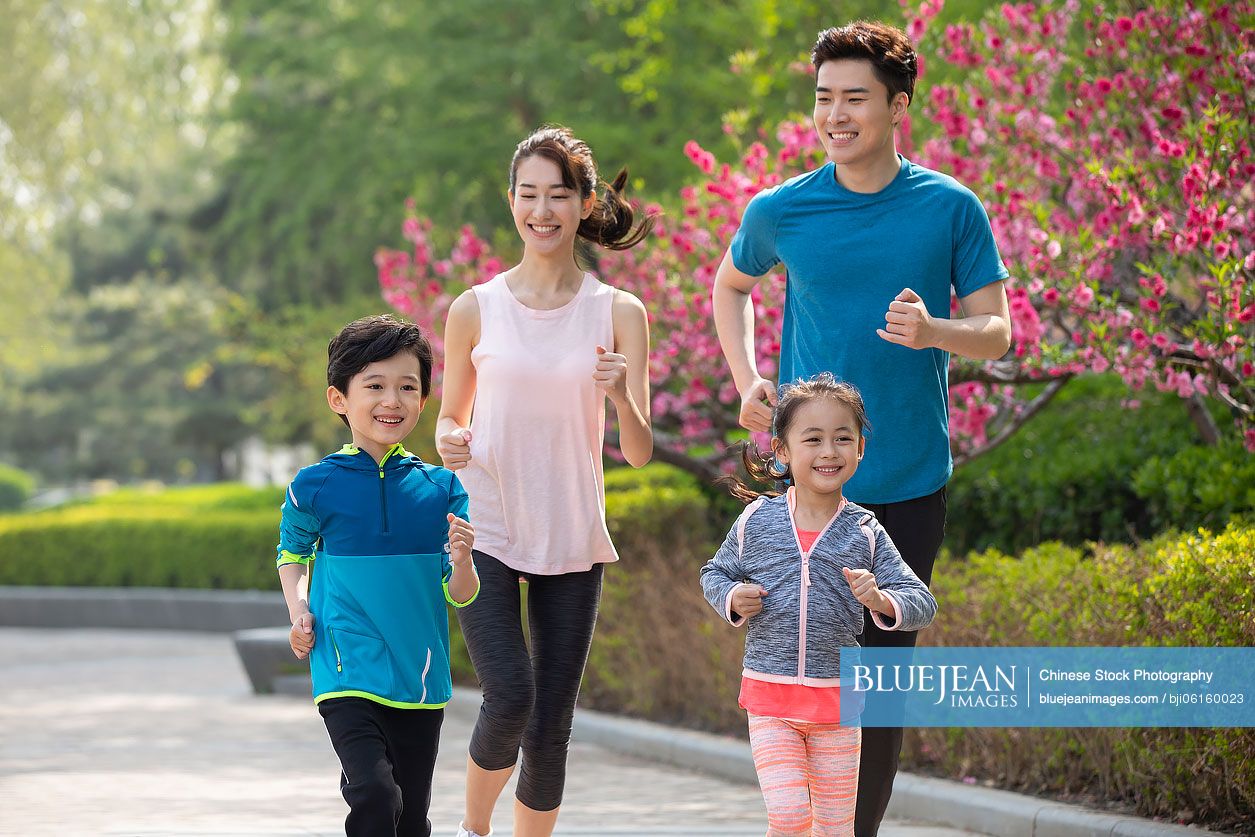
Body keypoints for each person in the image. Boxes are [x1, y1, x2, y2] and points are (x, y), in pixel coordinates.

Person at [711, 20, 1012, 835]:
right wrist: (748, 382)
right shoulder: (783, 209)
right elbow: (729, 284)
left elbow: (997, 330)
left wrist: (935, 332)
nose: (834, 114)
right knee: (802, 678)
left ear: (897, 104)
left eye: (854, 98)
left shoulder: (949, 207)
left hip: (907, 485)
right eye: (823, 98)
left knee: (876, 689)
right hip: (804, 495)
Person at [435, 126, 654, 837]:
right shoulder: (473, 308)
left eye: (558, 194)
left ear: (584, 202)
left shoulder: (617, 312)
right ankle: (473, 829)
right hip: (487, 525)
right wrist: (446, 436)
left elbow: (640, 450)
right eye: (528, 194)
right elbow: (449, 423)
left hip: (570, 529)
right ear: (511, 201)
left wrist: (621, 395)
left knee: (551, 723)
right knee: (510, 696)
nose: (542, 209)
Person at [700, 373, 936, 837]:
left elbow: (921, 601)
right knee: (788, 819)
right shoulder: (758, 519)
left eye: (842, 438)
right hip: (770, 701)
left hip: (838, 707)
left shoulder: (865, 531)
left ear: (860, 450)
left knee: (834, 828)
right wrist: (732, 597)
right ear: (783, 452)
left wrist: (881, 599)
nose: (829, 451)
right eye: (813, 439)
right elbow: (714, 573)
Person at [276, 314, 480, 837]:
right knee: (373, 792)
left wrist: (463, 561)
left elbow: (460, 595)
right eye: (375, 386)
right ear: (339, 399)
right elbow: (292, 554)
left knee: (410, 819)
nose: (392, 400)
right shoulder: (314, 485)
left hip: (420, 672)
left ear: (422, 400)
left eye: (407, 387)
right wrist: (299, 610)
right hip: (345, 665)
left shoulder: (442, 489)